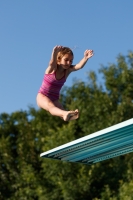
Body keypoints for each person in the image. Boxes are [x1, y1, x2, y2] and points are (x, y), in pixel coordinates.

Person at [36, 45, 94, 121]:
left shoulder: (67, 71)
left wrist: (85, 58)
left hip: (54, 98)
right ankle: (65, 114)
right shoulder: (52, 69)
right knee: (51, 106)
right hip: (42, 96)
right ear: (58, 60)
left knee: (61, 110)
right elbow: (52, 63)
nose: (69, 63)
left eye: (71, 61)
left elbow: (79, 66)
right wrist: (54, 52)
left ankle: (70, 116)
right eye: (66, 60)